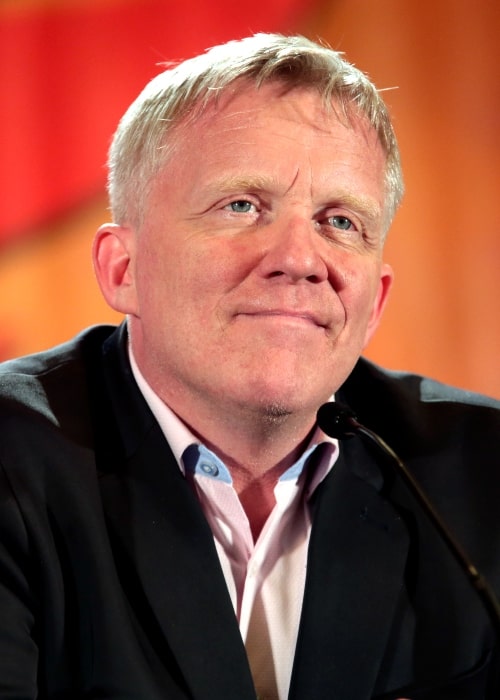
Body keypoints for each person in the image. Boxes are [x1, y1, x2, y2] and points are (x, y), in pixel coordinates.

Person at [0, 32, 498, 700]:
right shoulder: (12, 457)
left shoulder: (484, 474)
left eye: (341, 221)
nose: (299, 257)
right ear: (123, 270)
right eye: (242, 206)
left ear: (374, 302)